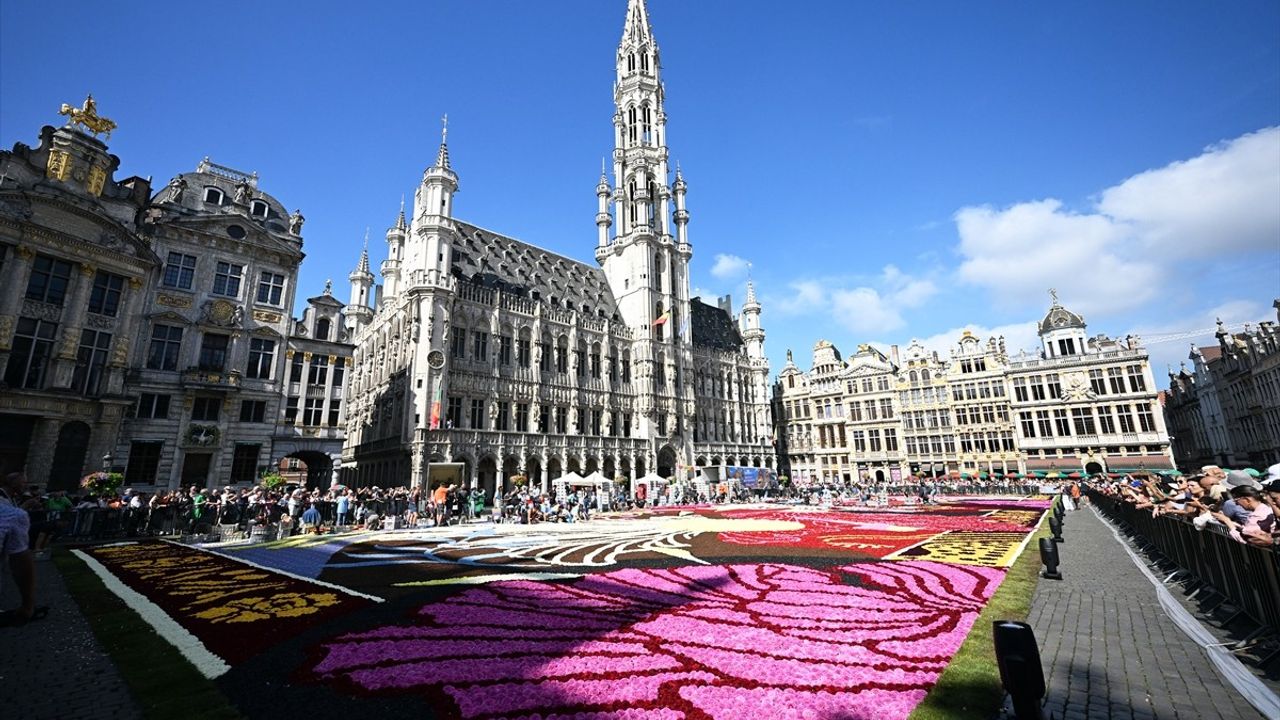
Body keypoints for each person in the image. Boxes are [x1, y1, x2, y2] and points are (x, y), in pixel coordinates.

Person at [0, 501, 44, 626]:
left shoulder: (11, 514)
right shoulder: (10, 514)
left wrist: (27, 605)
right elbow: (20, 559)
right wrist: (27, 605)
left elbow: (20, 559)